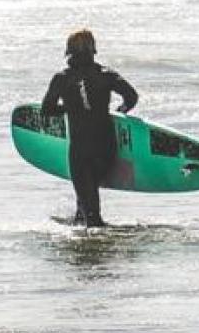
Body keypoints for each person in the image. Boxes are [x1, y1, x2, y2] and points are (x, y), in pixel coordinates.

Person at [40, 29, 139, 228]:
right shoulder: (107, 75)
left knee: (92, 216)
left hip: (81, 151)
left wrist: (69, 109)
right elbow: (132, 97)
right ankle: (83, 231)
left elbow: (47, 110)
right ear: (93, 50)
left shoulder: (61, 79)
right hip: (106, 148)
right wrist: (121, 112)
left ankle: (96, 248)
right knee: (85, 204)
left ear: (69, 52)